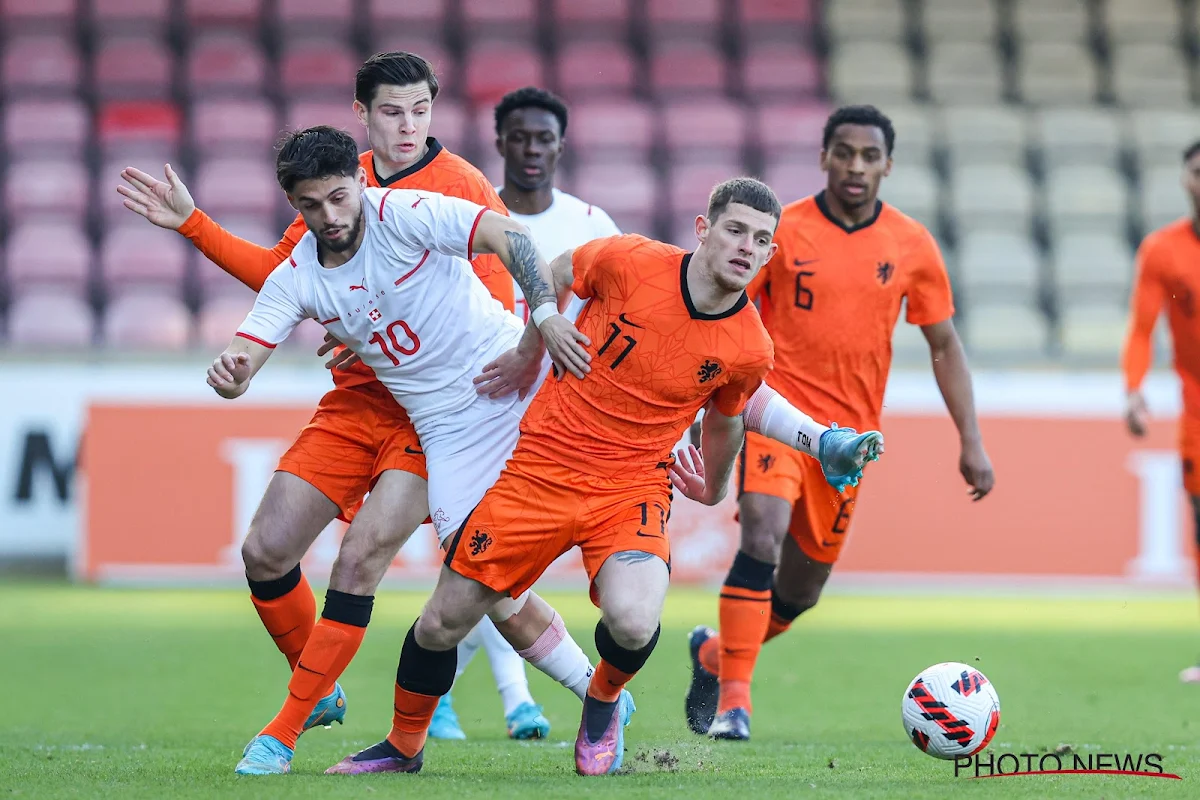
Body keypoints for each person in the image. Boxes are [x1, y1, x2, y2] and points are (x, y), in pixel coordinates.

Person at [325, 177, 885, 778]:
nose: (747, 247)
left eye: (762, 240)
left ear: (771, 255)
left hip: (630, 490)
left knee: (636, 619)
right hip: (541, 470)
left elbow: (727, 420)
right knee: (441, 623)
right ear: (704, 229)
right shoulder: (628, 261)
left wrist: (716, 488)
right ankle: (402, 747)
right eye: (735, 230)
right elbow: (555, 273)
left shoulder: (751, 347)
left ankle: (603, 699)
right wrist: (529, 349)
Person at [116, 51, 553, 742]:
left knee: (429, 569)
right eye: (389, 111)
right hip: (355, 406)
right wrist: (196, 226)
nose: (406, 127)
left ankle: (575, 691)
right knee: (265, 551)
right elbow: (281, 276)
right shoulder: (330, 187)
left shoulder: (455, 185)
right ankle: (320, 687)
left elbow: (492, 297)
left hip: (435, 409)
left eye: (419, 111)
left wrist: (384, 323)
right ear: (361, 118)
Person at [204, 124, 625, 775]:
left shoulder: (405, 214)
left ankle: (283, 736)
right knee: (482, 588)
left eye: (339, 198)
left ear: (360, 181)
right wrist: (234, 373)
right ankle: (597, 693)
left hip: (514, 382)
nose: (330, 216)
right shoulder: (297, 279)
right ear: (294, 204)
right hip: (447, 433)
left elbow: (511, 237)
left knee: (374, 561)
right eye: (311, 206)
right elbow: (248, 348)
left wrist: (540, 320)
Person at [685, 104, 996, 742]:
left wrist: (971, 439)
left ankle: (715, 656)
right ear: (824, 156)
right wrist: (703, 394)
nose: (856, 166)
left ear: (887, 164)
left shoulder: (910, 244)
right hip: (775, 413)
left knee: (799, 593)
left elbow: (943, 345)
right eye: (844, 153)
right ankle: (734, 705)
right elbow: (723, 301)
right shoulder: (783, 232)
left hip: (850, 443)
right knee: (760, 540)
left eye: (869, 156)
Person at [423, 86, 622, 740]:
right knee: (486, 561)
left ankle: (454, 690)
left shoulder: (592, 225)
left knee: (493, 566)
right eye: (520, 136)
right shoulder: (466, 220)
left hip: (562, 424)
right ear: (500, 141)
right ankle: (508, 702)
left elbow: (626, 316)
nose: (532, 148)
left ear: (560, 146)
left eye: (544, 138)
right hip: (476, 412)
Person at [1122, 139, 1200, 684]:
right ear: (1184, 178)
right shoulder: (1164, 250)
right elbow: (1142, 330)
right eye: (1198, 171)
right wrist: (1133, 388)